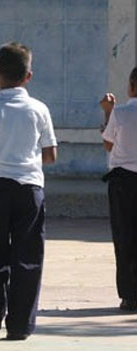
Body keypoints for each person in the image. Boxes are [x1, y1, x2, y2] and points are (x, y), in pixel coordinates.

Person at [0, 42, 57, 340]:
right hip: (29, 187)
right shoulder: (40, 109)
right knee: (28, 256)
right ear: (28, 76)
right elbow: (50, 155)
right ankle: (20, 324)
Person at [100, 67, 137, 312]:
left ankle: (129, 295)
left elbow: (108, 143)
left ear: (132, 85)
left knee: (125, 238)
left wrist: (108, 113)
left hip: (124, 182)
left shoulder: (121, 112)